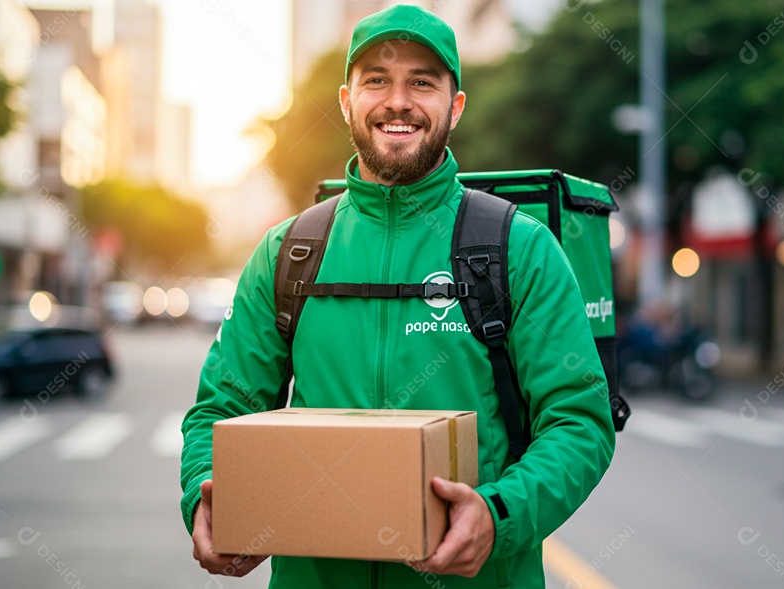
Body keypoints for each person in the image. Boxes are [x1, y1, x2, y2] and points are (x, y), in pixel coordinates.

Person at [179, 5, 615, 587]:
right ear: (346, 101)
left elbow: (579, 422)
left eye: (423, 82)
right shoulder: (290, 251)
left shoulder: (521, 248)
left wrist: (497, 514)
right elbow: (220, 409)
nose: (398, 101)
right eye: (377, 81)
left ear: (455, 107)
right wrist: (206, 499)